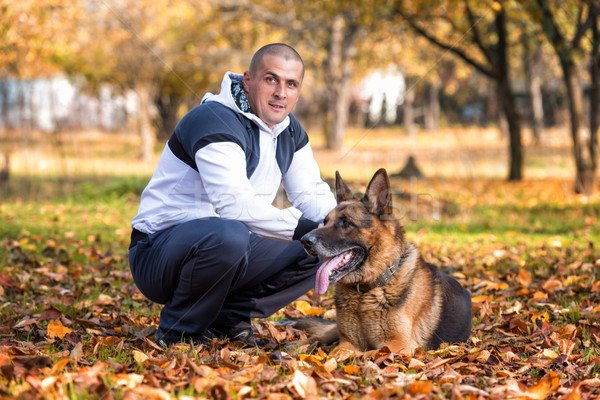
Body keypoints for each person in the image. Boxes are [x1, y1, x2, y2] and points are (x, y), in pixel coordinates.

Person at [128, 43, 337, 347]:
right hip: (158, 252)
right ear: (248, 81)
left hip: (229, 246)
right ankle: (179, 331)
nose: (281, 92)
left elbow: (310, 192)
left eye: (291, 84)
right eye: (271, 79)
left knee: (323, 249)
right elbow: (233, 205)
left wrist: (345, 228)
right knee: (229, 234)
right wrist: (308, 229)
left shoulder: (289, 130)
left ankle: (228, 318)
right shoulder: (214, 120)